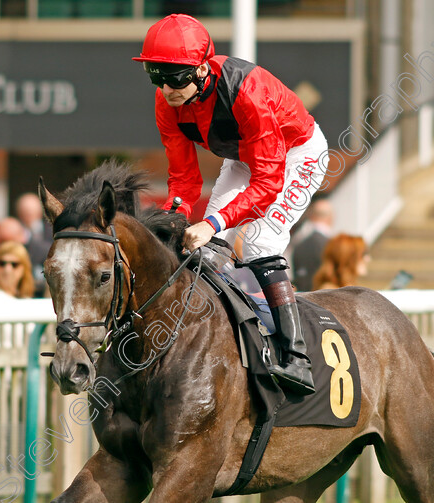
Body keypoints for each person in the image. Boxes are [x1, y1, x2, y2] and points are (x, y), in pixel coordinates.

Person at [134, 14, 329, 394]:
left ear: (203, 68)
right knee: (204, 246)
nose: (167, 88)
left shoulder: (247, 92)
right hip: (245, 156)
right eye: (156, 75)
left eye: (175, 77)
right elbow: (185, 179)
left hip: (295, 154)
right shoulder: (166, 102)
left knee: (259, 242)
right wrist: (177, 220)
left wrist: (215, 221)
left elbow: (269, 180)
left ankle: (297, 358)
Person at [291, 199, 335, 292]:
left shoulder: (299, 242)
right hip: (323, 296)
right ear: (330, 217)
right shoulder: (330, 244)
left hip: (302, 295)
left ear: (311, 216)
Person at [15, 193, 53, 297]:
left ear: (40, 211)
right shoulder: (16, 234)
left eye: (31, 211)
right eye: (25, 212)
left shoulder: (53, 231)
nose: (28, 215)